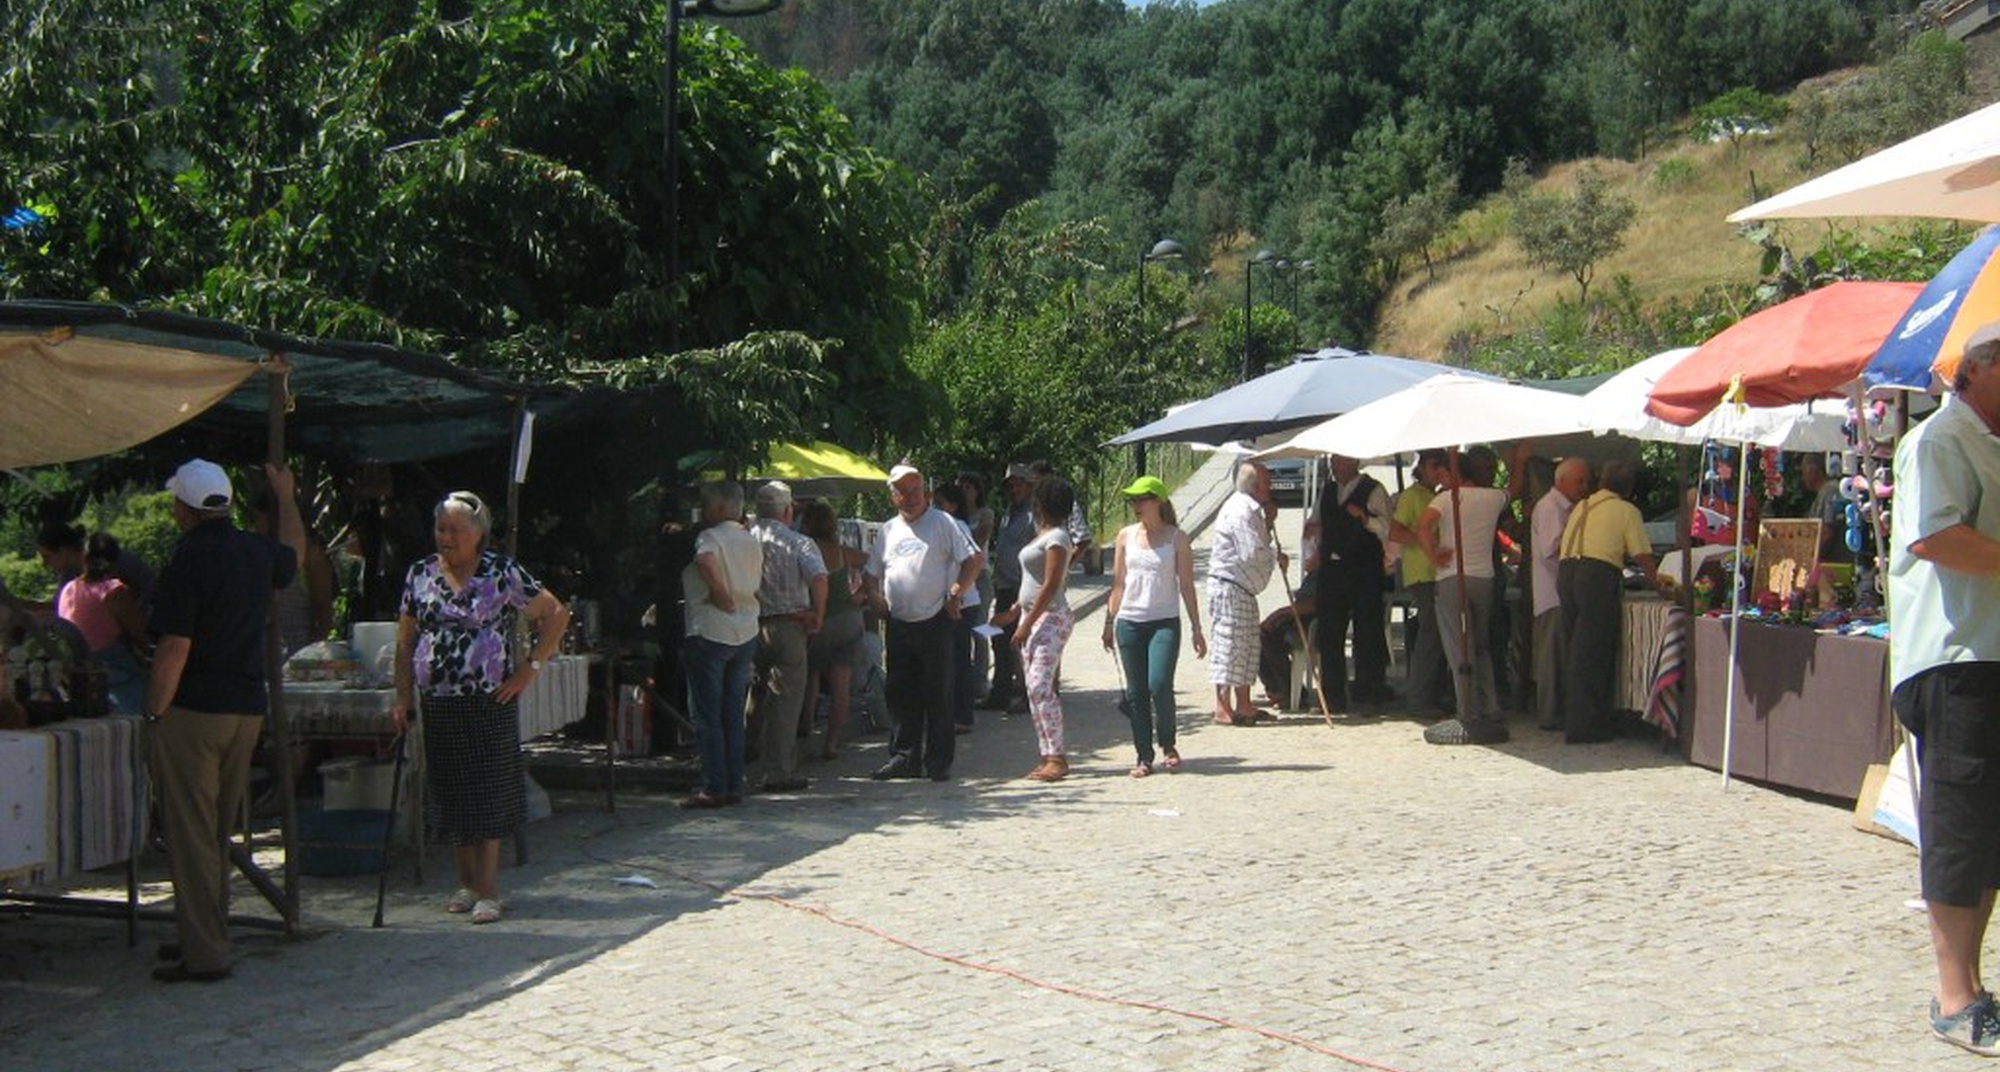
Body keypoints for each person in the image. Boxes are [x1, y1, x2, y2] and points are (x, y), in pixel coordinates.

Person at [1888, 323, 2000, 1056]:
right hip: (1958, 662)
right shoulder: (1939, 440)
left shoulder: (1984, 442)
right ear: (1985, 371)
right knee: (1963, 828)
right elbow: (1937, 538)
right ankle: (1955, 995)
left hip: (1986, 657)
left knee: (1986, 830)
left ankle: (1974, 988)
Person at [145, 459, 297, 982]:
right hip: (245, 708)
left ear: (183, 508)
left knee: (190, 836)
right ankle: (207, 934)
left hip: (195, 709)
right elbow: (292, 558)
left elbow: (174, 645)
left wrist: (155, 711)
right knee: (215, 832)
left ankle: (206, 951)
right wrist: (287, 498)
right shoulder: (254, 551)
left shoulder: (187, 559)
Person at [391, 490, 568, 924]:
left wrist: (530, 668)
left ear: (479, 534)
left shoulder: (500, 571)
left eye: (456, 530)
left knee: (487, 789)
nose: (446, 537)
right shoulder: (421, 573)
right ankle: (466, 882)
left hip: (489, 697)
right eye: (441, 529)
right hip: (438, 698)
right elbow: (404, 640)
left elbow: (555, 613)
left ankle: (490, 888)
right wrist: (402, 697)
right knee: (452, 790)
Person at [863, 465, 982, 782]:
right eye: (903, 491)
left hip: (936, 619)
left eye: (915, 490)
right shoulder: (888, 530)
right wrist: (874, 596)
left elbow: (974, 560)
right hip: (899, 622)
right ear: (893, 497)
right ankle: (904, 757)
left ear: (925, 493)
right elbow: (871, 573)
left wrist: (957, 592)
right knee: (900, 693)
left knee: (938, 692)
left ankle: (938, 761)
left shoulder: (943, 523)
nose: (910, 497)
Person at [1102, 475, 1206, 777]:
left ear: (1158, 501)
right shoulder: (1125, 536)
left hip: (1164, 621)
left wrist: (1197, 628)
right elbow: (1118, 584)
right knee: (1136, 692)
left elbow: (1186, 585)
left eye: (1141, 499)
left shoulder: (1177, 538)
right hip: (1130, 622)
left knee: (1159, 684)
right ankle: (1143, 755)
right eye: (1132, 500)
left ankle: (1168, 743)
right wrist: (1109, 622)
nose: (1136, 505)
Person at [674, 481, 763, 809]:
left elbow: (707, 561)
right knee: (731, 712)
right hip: (745, 630)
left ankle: (714, 785)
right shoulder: (750, 540)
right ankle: (733, 783)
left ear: (723, 507)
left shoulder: (710, 537)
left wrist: (722, 594)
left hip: (710, 629)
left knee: (707, 714)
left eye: (709, 505)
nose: (706, 510)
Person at [1556, 460, 1658, 744]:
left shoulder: (1582, 506)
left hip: (1567, 573)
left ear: (1601, 482)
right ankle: (1586, 725)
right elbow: (1641, 556)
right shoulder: (1627, 511)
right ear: (1629, 488)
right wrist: (1659, 582)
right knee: (1593, 650)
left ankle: (1578, 718)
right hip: (1596, 576)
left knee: (1575, 647)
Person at [1416, 447, 1512, 746]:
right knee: (1481, 644)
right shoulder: (1493, 497)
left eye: (1446, 473)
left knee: (1460, 646)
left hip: (1452, 577)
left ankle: (1466, 709)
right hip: (1484, 577)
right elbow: (1516, 488)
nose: (1442, 479)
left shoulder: (1445, 499)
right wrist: (1520, 459)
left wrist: (1433, 555)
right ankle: (1490, 706)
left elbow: (1422, 526)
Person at [743, 481, 826, 795]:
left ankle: (745, 759)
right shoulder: (799, 543)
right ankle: (777, 771)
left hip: (748, 626)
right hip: (789, 626)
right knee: (785, 702)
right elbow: (818, 577)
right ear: (788, 510)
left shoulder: (743, 540)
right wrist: (817, 613)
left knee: (752, 696)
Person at [993, 476, 1077, 780]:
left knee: (1041, 685)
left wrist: (1024, 624)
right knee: (1034, 689)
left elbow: (1051, 583)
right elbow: (1033, 581)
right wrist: (1014, 611)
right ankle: (1048, 753)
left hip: (1050, 617)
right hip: (1035, 615)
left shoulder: (1057, 537)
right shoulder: (1044, 534)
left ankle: (1057, 756)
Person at [1309, 454, 1394, 713]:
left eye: (1340, 462)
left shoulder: (1373, 489)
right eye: (1333, 462)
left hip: (1364, 570)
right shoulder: (1328, 491)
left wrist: (1366, 519)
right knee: (1330, 631)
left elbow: (1388, 528)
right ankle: (1333, 694)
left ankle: (1369, 691)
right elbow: (1317, 520)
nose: (1334, 467)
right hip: (1332, 571)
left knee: (1368, 629)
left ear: (1354, 463)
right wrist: (1313, 532)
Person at [1207, 460, 1282, 725]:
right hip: (1230, 586)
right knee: (1229, 645)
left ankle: (1245, 704)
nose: (1271, 487)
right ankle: (1222, 706)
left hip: (1242, 588)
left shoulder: (1252, 510)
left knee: (1248, 646)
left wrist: (1268, 523)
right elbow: (1251, 552)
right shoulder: (1241, 510)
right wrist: (1275, 556)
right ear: (1256, 486)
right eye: (1268, 482)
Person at [799, 500, 867, 759]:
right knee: (842, 685)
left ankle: (806, 724)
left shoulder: (805, 548)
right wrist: (860, 594)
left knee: (810, 674)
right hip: (850, 620)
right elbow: (872, 563)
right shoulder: (841, 551)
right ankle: (832, 743)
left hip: (821, 621)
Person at [1387, 450, 1453, 714]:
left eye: (1441, 466)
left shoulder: (1436, 495)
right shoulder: (1412, 496)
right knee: (1431, 633)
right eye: (1433, 465)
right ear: (1422, 467)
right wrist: (1426, 542)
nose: (1437, 471)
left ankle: (1432, 694)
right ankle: (1419, 698)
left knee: (1436, 634)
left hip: (1437, 572)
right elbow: (1395, 531)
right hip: (1421, 572)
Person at [57, 533, 152, 713]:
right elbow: (142, 636)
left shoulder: (68, 590)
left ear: (84, 558)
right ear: (115, 561)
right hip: (111, 670)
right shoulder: (112, 592)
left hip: (75, 671)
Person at [1530, 457, 1590, 731]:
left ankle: (1559, 711)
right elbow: (1550, 547)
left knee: (1561, 654)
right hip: (1551, 591)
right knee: (1551, 657)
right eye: (1580, 481)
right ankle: (1549, 714)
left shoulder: (1566, 507)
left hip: (1563, 592)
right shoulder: (1550, 507)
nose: (1584, 486)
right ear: (1562, 481)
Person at [981, 464, 1036, 713]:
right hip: (1005, 586)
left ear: (1029, 485)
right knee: (999, 640)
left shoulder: (1034, 515)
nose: (1014, 489)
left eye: (1018, 484)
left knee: (1020, 643)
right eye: (1010, 486)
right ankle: (1000, 692)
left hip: (1022, 587)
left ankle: (1026, 695)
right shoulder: (1009, 513)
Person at [933, 483, 988, 734]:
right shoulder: (942, 527)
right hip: (949, 603)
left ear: (953, 505)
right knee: (948, 661)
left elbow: (976, 558)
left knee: (959, 661)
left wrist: (957, 592)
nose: (935, 508)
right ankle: (950, 713)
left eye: (940, 502)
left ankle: (962, 715)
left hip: (962, 604)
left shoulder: (957, 526)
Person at [38, 518, 157, 613]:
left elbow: (150, 588)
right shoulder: (69, 575)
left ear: (62, 550)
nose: (45, 564)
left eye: (47, 557)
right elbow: (58, 608)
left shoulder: (112, 558)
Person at [1802, 453, 1850, 562]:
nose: (1803, 477)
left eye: (1803, 471)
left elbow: (1827, 532)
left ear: (1812, 470)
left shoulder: (1829, 491)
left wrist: (1810, 558)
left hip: (1836, 561)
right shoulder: (1825, 492)